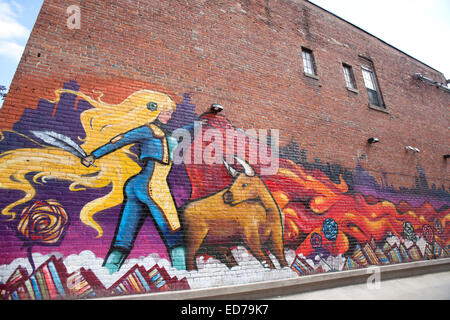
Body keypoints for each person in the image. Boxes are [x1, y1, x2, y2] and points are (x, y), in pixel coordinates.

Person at [82, 99, 186, 274]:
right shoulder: (147, 130)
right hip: (153, 185)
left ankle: (107, 274)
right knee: (173, 231)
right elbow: (120, 140)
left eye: (170, 113)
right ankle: (185, 274)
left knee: (124, 238)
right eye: (166, 112)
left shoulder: (164, 132)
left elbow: (188, 130)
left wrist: (201, 123)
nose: (169, 116)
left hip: (138, 185)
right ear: (156, 111)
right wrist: (94, 155)